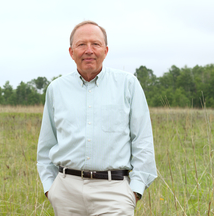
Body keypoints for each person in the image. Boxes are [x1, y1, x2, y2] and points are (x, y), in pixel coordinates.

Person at [37, 20, 157, 215]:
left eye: (96, 44)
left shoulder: (128, 84)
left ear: (106, 50)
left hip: (114, 192)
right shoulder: (56, 89)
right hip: (66, 192)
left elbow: (143, 140)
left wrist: (135, 190)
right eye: (81, 44)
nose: (89, 50)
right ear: (71, 52)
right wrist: (51, 188)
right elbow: (46, 144)